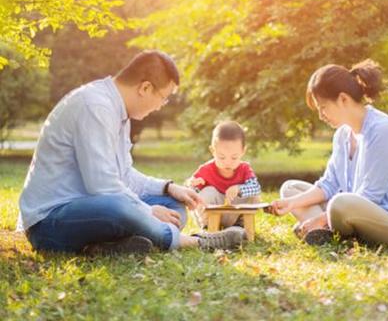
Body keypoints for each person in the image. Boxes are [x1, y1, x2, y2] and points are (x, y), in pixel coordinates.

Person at [17, 50, 246, 254]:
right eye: (163, 99)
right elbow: (103, 186)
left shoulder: (120, 114)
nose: (160, 106)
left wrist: (169, 187)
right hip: (50, 222)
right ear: (145, 88)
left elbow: (123, 174)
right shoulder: (95, 107)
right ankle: (197, 242)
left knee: (172, 204)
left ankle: (108, 247)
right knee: (120, 207)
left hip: (91, 207)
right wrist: (147, 211)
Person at [271, 59, 388, 250]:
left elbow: (369, 197)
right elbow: (329, 184)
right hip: (353, 212)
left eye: (323, 107)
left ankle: (324, 229)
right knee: (291, 189)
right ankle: (328, 233)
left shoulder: (382, 129)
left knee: (340, 203)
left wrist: (320, 218)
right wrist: (290, 204)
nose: (321, 115)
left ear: (343, 99)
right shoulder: (342, 135)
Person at [187, 121, 262, 229]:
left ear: (243, 151)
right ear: (213, 151)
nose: (227, 162)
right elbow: (190, 193)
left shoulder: (244, 168)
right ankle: (207, 226)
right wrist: (192, 184)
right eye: (222, 157)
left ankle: (240, 224)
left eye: (234, 157)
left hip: (234, 211)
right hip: (212, 212)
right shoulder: (207, 169)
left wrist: (239, 188)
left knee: (254, 195)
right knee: (207, 192)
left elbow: (256, 188)